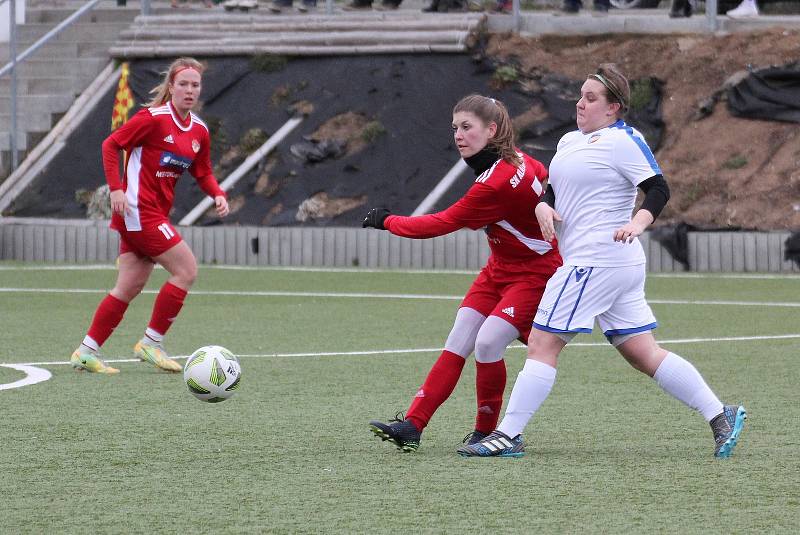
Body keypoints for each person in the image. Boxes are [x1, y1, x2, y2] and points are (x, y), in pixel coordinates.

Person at [458, 64, 747, 459]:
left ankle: (508, 434)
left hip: (597, 260)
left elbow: (658, 188)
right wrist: (544, 207)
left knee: (542, 343)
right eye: (580, 95)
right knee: (642, 352)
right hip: (606, 264)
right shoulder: (568, 142)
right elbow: (554, 190)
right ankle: (720, 415)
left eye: (591, 98)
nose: (580, 103)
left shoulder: (623, 140)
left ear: (614, 108)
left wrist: (638, 222)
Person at [364, 94, 562, 452]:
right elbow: (544, 176)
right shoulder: (517, 157)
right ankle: (413, 425)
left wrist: (387, 221)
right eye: (455, 127)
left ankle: (489, 432)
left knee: (487, 342)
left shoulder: (493, 183)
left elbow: (441, 223)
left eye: (467, 127)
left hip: (536, 274)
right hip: (499, 271)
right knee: (460, 338)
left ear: (492, 129)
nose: (458, 135)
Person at [70, 57, 230, 374]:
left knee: (128, 286)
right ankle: (151, 344)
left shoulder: (199, 130)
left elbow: (203, 171)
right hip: (137, 211)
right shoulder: (152, 119)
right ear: (171, 86)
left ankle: (86, 351)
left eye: (194, 85)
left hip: (150, 214)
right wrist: (116, 189)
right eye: (182, 83)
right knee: (186, 270)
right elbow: (110, 144)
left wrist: (218, 193)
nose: (189, 90)